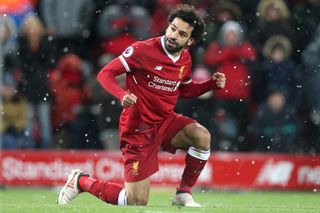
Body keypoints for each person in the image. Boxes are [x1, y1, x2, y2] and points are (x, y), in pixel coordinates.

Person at [57, 4, 226, 207]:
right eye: (172, 28)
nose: (173, 35)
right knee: (135, 201)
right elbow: (105, 73)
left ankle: (183, 193)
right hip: (138, 129)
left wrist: (210, 85)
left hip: (165, 122)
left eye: (181, 34)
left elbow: (184, 90)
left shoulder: (185, 60)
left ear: (190, 41)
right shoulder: (142, 50)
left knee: (201, 136)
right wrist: (121, 94)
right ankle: (81, 181)